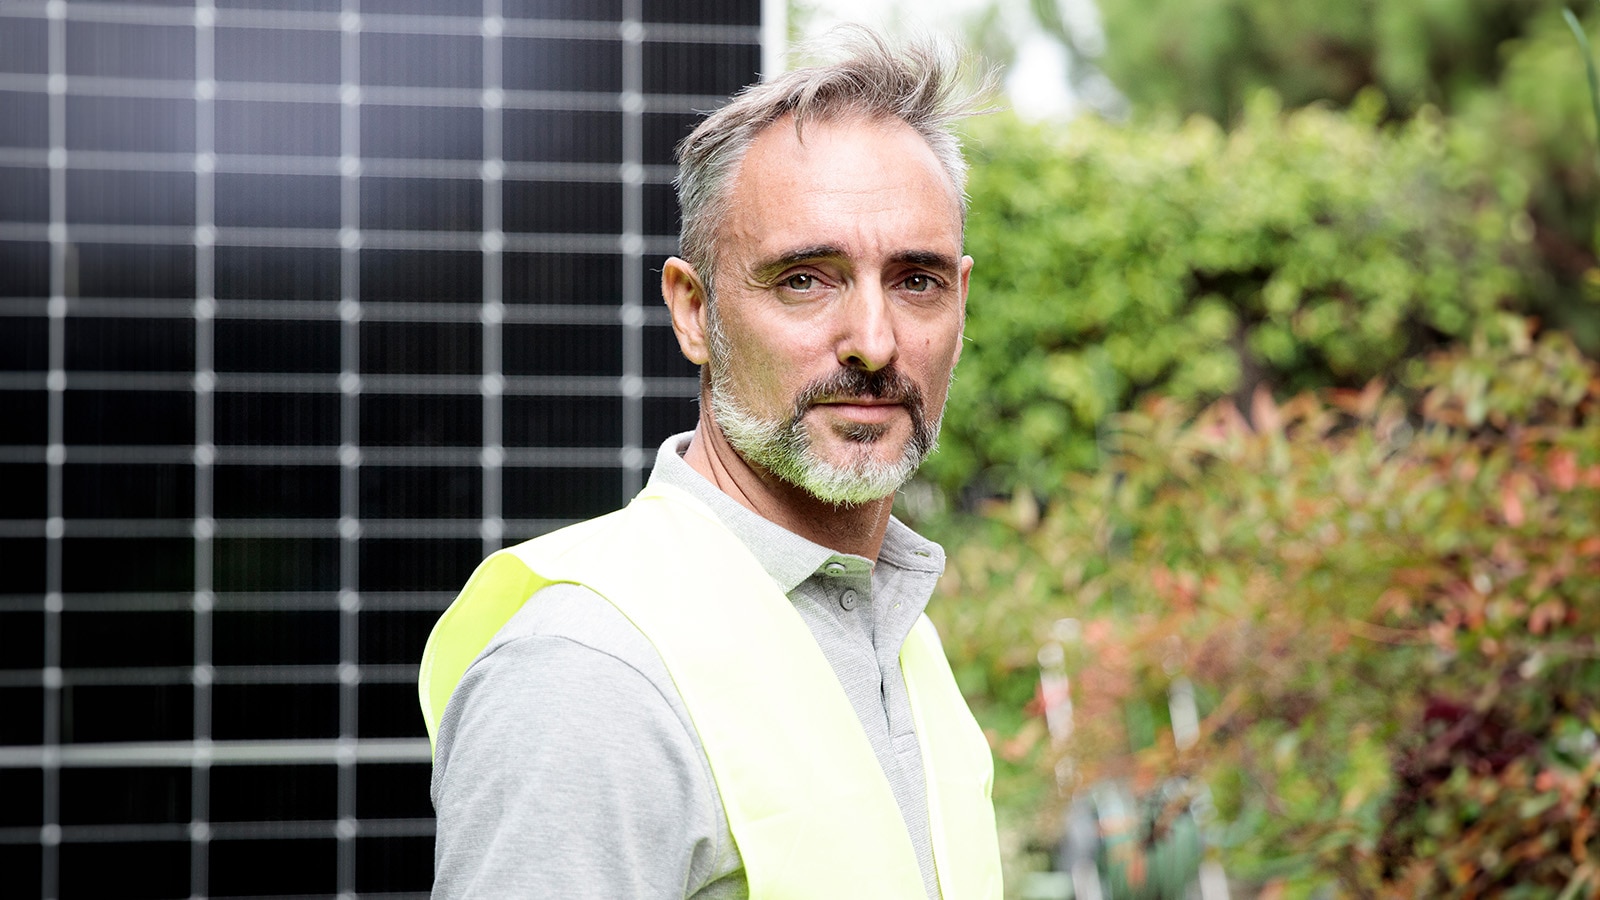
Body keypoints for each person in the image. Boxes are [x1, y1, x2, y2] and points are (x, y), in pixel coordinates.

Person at [419, 28, 1003, 900]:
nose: (876, 344)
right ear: (694, 312)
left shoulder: (901, 639)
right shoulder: (588, 674)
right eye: (806, 278)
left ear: (959, 300)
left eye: (914, 281)